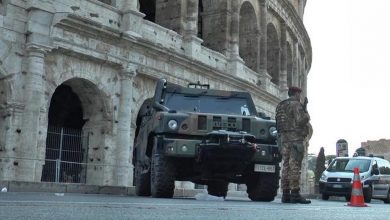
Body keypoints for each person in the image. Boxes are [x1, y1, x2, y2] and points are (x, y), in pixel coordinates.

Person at [276, 86, 312, 204]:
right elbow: (301, 120)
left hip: (284, 139)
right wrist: (306, 112)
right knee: (295, 166)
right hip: (295, 139)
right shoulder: (296, 104)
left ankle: (285, 194)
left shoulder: (281, 105)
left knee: (285, 166)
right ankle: (295, 194)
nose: (299, 96)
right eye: (299, 94)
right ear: (296, 93)